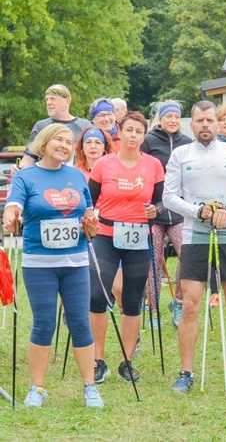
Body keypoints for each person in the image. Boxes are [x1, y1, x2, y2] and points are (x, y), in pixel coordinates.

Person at [3, 124, 102, 408]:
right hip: (39, 264)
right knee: (43, 323)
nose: (65, 145)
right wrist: (10, 217)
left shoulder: (76, 176)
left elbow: (89, 218)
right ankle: (37, 388)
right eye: (59, 139)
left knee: (80, 323)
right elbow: (13, 207)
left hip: (75, 262)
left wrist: (91, 225)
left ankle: (90, 387)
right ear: (44, 143)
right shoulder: (25, 176)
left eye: (70, 142)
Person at [163, 100, 226, 394]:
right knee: (190, 304)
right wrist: (197, 210)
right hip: (194, 236)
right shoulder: (181, 154)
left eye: (210, 120)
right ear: (192, 125)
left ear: (218, 124)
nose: (205, 125)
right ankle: (186, 373)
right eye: (199, 121)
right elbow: (168, 196)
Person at [87, 112, 165, 384]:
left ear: (144, 136)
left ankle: (127, 361)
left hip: (138, 237)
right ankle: (98, 360)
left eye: (138, 132)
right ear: (119, 133)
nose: (133, 135)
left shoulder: (153, 165)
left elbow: (161, 202)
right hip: (106, 236)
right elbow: (90, 200)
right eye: (129, 130)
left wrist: (157, 210)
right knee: (96, 295)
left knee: (132, 301)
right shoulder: (103, 165)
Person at [140, 101, 193, 328]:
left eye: (176, 116)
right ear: (160, 118)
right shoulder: (149, 141)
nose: (172, 120)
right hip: (153, 211)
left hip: (179, 211)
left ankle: (178, 302)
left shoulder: (188, 142)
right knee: (153, 261)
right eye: (168, 116)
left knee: (188, 256)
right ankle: (153, 309)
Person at [14, 85, 91, 172]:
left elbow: (92, 157)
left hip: (74, 178)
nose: (48, 103)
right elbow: (29, 158)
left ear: (67, 101)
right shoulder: (41, 126)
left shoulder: (84, 126)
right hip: (45, 178)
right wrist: (19, 170)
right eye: (47, 99)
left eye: (53, 99)